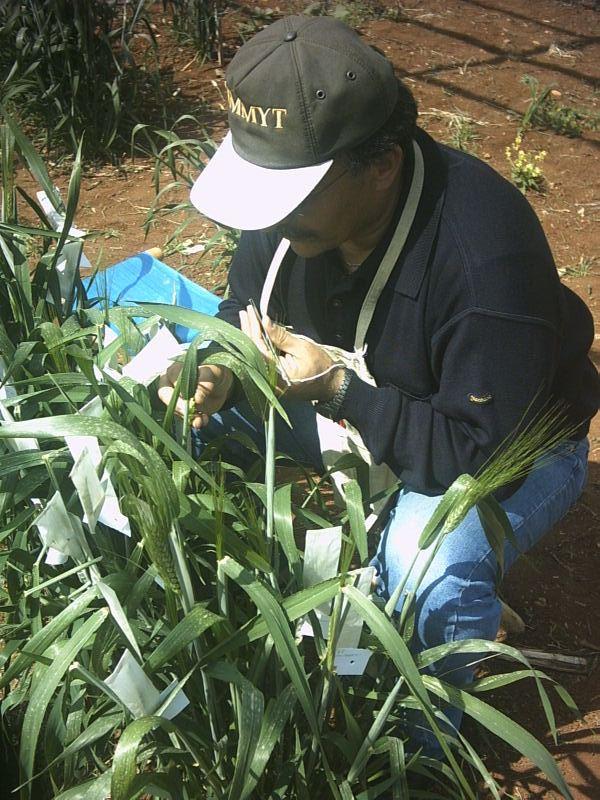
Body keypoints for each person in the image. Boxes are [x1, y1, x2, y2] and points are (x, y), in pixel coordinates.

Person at [158, 14, 599, 752]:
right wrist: (220, 369)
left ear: (383, 163)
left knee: (426, 561)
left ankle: (422, 747)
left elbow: (473, 453)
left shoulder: (484, 257)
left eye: (288, 194)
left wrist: (337, 393)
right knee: (179, 418)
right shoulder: (297, 206)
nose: (271, 218)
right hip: (352, 397)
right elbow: (244, 309)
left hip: (505, 444)